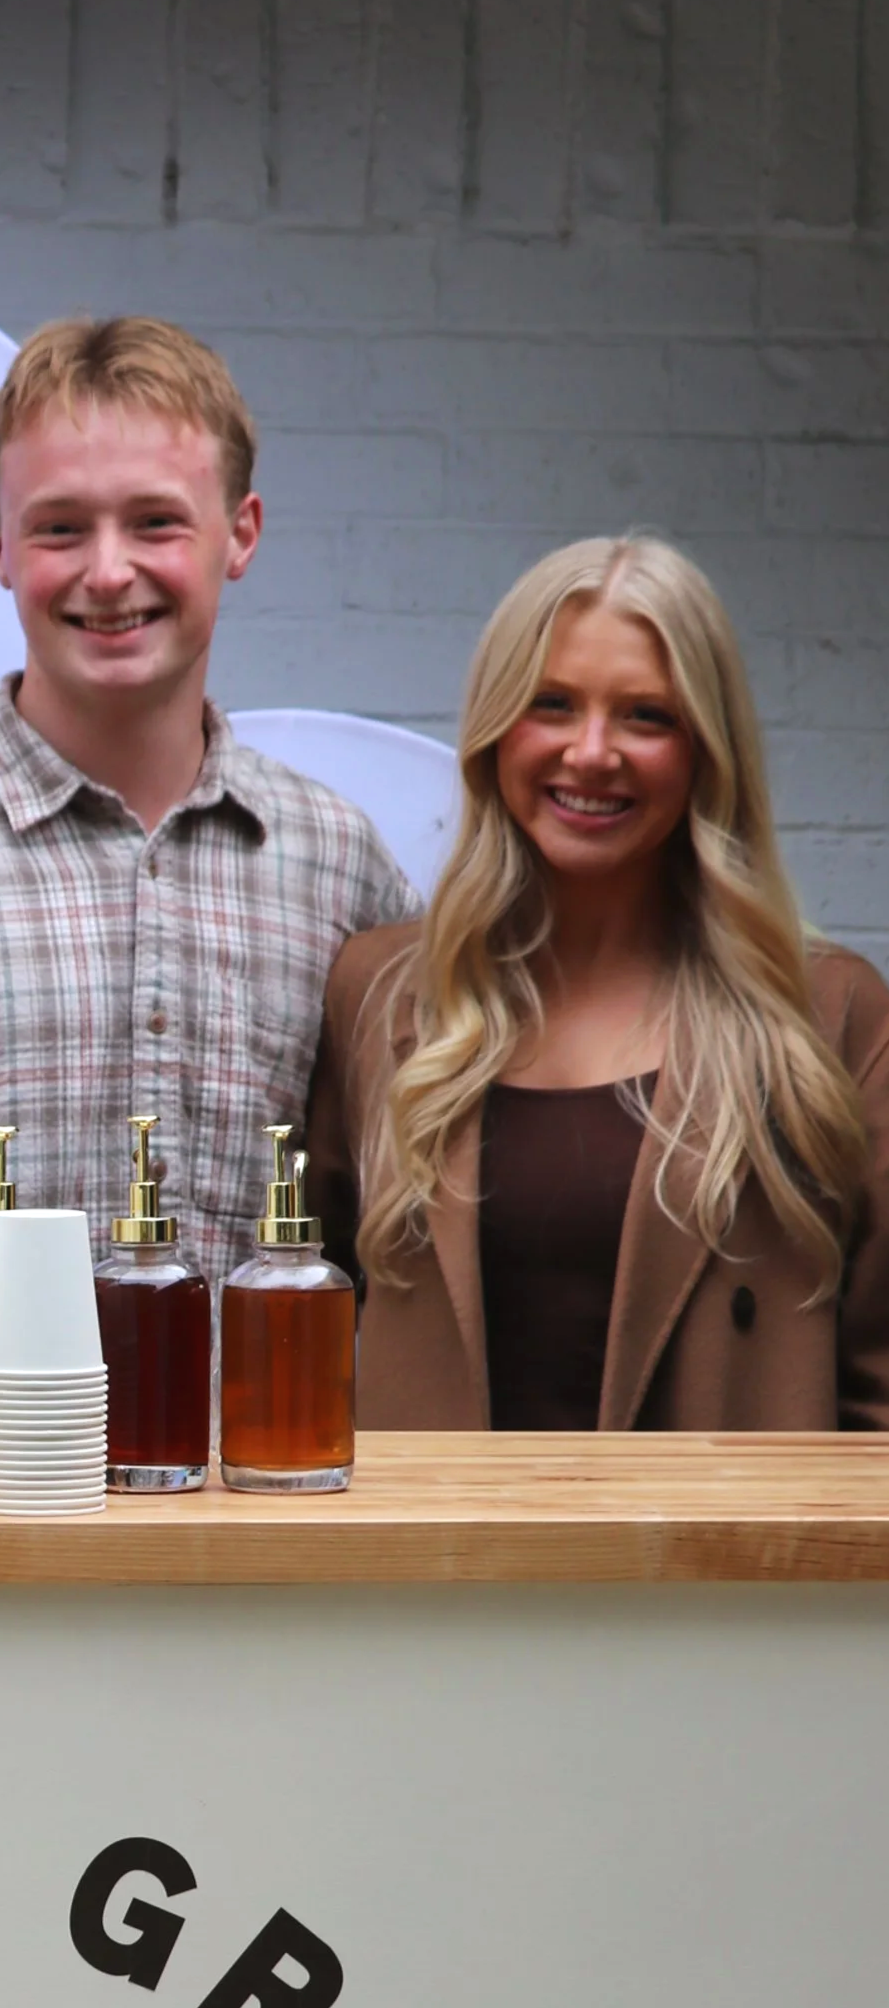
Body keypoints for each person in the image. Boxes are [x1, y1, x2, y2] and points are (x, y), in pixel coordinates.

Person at [0, 317, 416, 1289]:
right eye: (60, 527)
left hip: (252, 1447)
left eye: (155, 522)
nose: (108, 572)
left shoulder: (337, 864)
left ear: (238, 535)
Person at [305, 536, 889, 1431]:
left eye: (645, 716)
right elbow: (311, 1321)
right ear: (496, 728)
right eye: (552, 704)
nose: (591, 752)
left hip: (720, 1562)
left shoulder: (829, 1017)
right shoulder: (378, 992)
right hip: (428, 1560)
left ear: (706, 748)